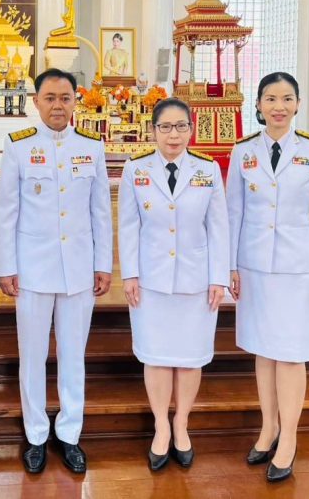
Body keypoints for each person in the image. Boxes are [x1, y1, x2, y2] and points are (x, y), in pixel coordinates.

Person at [0, 68, 113, 474]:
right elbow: (6, 211)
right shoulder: (18, 146)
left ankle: (69, 433)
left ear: (75, 101)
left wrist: (103, 264)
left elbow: (101, 211)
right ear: (36, 102)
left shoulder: (91, 147)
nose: (58, 105)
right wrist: (6, 266)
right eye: (50, 97)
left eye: (65, 97)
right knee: (32, 355)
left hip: (78, 268)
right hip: (32, 269)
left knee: (73, 354)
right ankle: (35, 435)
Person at [226, 72, 309, 484]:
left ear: (298, 104)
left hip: (298, 266)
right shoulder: (243, 151)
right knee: (263, 350)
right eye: (270, 98)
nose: (279, 106)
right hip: (254, 264)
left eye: (287, 98)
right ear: (258, 105)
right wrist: (230, 266)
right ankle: (268, 427)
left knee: (290, 353)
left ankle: (288, 436)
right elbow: (233, 212)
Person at [117, 98, 228, 471]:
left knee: (190, 356)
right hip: (150, 280)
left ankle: (182, 423)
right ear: (153, 131)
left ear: (191, 130)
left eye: (181, 126)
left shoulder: (207, 170)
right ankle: (161, 426)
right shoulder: (136, 169)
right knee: (157, 355)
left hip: (197, 280)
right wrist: (130, 274)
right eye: (165, 127)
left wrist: (218, 278)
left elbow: (219, 227)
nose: (173, 135)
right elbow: (128, 225)